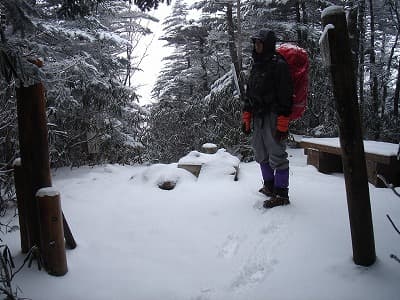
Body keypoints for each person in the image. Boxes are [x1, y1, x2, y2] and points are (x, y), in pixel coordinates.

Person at [242, 29, 293, 208]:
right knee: (260, 152)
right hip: (258, 117)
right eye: (255, 43)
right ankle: (269, 186)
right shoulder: (256, 65)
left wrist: (282, 123)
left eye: (260, 43)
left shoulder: (279, 64)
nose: (257, 46)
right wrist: (247, 116)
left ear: (268, 44)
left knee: (277, 154)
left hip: (273, 115)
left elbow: (286, 96)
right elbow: (249, 93)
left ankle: (281, 193)